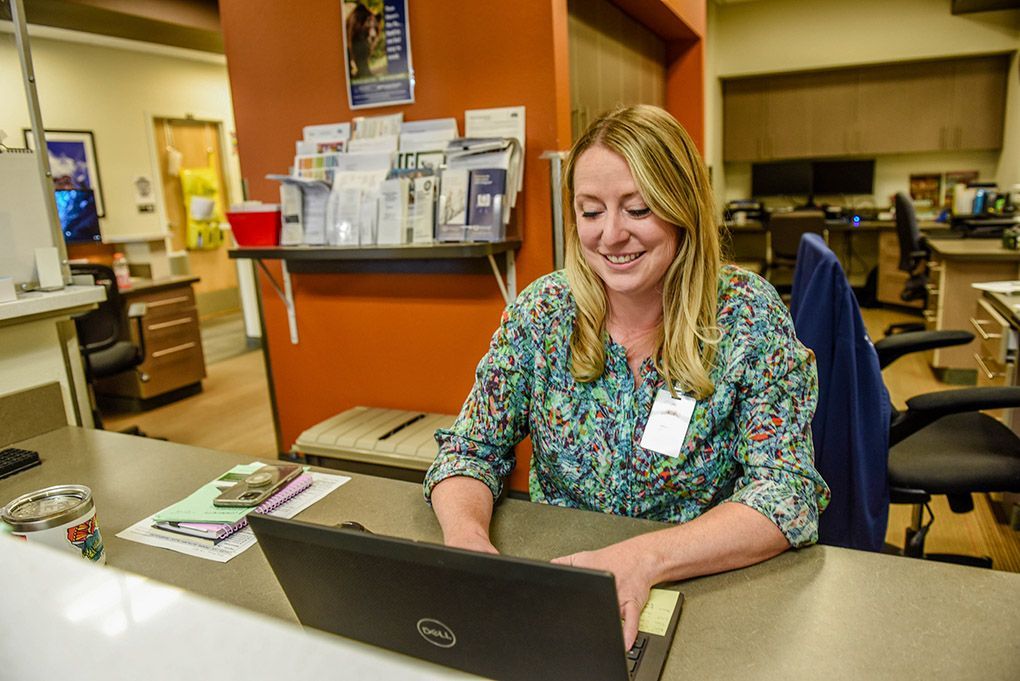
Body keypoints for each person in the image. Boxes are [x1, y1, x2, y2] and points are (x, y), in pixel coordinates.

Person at [423, 104, 829, 649]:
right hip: (560, 588)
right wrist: (466, 538)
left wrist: (643, 558)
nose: (611, 235)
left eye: (637, 209)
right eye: (590, 213)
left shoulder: (746, 316)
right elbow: (469, 450)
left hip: (701, 590)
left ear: (681, 207)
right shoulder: (543, 313)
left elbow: (787, 492)